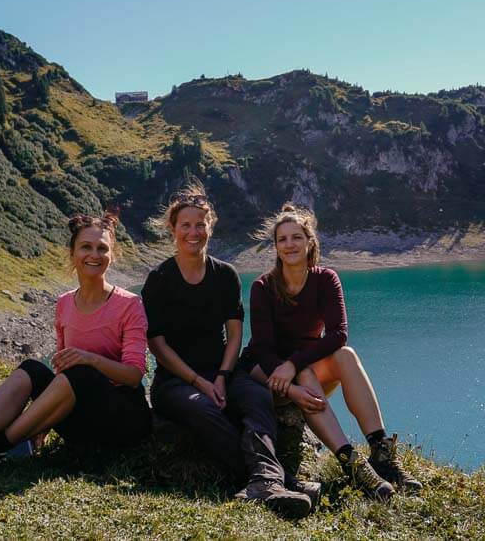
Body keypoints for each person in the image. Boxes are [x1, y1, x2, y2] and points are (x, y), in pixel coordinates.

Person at [0, 213, 152, 478]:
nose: (94, 254)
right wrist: (44, 420)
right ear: (72, 253)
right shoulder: (64, 302)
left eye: (102, 248)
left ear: (112, 255)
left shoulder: (129, 304)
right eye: (86, 246)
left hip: (121, 418)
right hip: (78, 416)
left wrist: (90, 359)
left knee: (80, 372)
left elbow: (133, 376)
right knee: (31, 368)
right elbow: (61, 373)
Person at [141, 184, 316, 518]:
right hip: (175, 382)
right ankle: (277, 480)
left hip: (220, 370)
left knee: (256, 396)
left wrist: (221, 376)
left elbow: (234, 334)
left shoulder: (226, 275)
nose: (194, 232)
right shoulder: (159, 279)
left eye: (200, 224)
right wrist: (199, 382)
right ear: (173, 230)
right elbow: (157, 346)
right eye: (186, 225)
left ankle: (266, 481)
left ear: (211, 226)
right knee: (205, 409)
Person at [240, 203, 423, 500]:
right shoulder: (263, 286)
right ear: (275, 247)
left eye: (296, 237)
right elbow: (262, 348)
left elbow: (338, 334)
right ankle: (352, 464)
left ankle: (381, 453)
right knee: (305, 373)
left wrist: (296, 364)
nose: (290, 245)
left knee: (346, 355)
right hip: (266, 368)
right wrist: (289, 369)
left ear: (310, 241)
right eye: (282, 239)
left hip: (300, 366)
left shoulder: (325, 279)